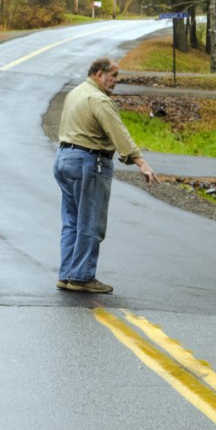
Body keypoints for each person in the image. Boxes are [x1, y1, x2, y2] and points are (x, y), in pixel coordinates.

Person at [54, 56, 158, 293]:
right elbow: (118, 133)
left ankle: (67, 274)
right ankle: (81, 277)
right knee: (90, 221)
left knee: (72, 221)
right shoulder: (99, 99)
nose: (115, 82)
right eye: (113, 76)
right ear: (99, 74)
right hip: (88, 162)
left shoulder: (76, 93)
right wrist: (141, 162)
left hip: (64, 158)